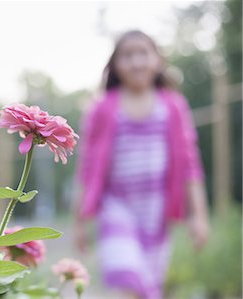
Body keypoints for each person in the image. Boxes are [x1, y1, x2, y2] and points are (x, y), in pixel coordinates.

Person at [75, 30, 210, 299]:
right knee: (126, 281)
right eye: (127, 55)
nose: (136, 62)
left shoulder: (172, 106)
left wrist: (199, 215)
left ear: (158, 60)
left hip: (157, 212)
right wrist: (79, 222)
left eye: (143, 53)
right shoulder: (103, 108)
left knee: (147, 288)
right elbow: (87, 169)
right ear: (114, 65)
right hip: (116, 207)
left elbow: (189, 165)